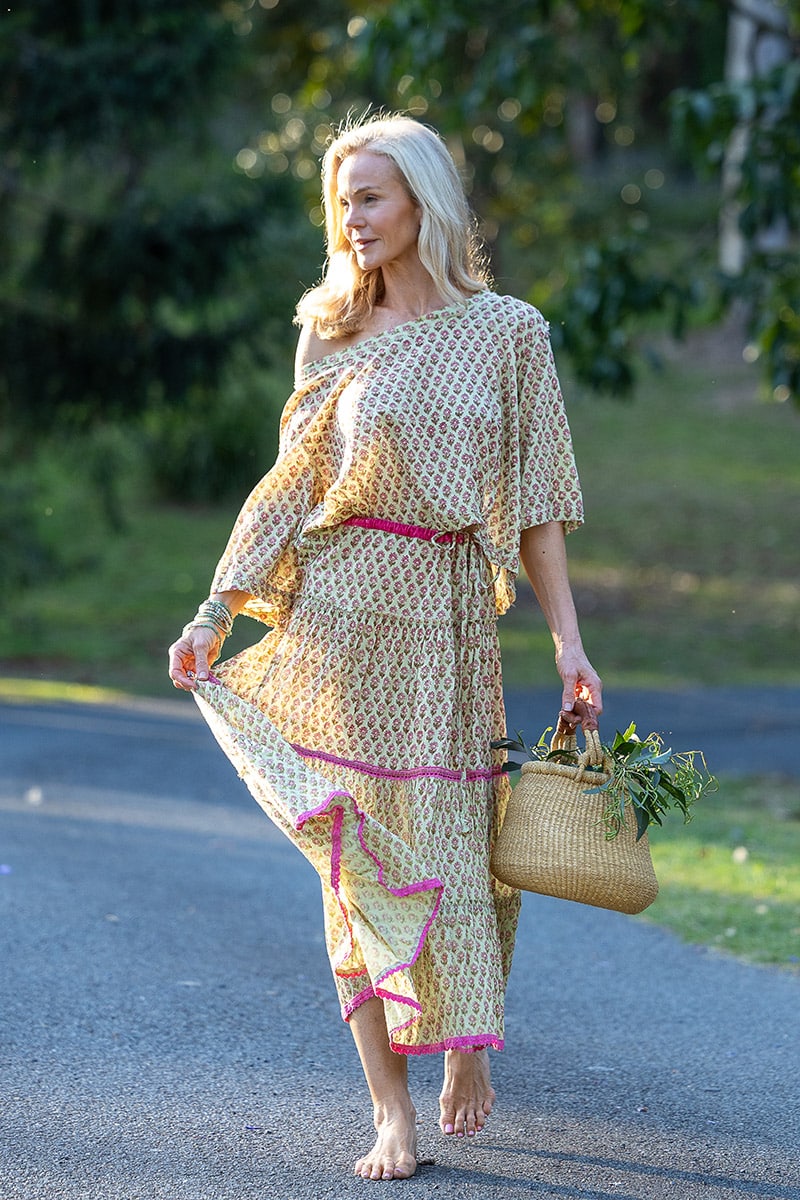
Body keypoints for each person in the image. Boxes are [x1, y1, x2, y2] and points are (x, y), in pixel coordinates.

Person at [168, 112, 602, 1182]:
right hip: (340, 610)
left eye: (370, 197)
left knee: (454, 840)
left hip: (450, 618)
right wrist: (214, 611)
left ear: (421, 201)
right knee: (354, 857)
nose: (352, 220)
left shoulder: (508, 332)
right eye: (341, 202)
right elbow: (289, 492)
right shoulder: (330, 332)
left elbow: (538, 504)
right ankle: (388, 1111)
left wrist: (568, 648)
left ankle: (461, 1042)